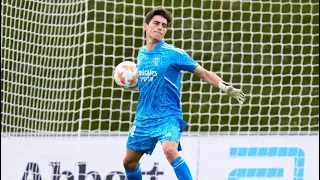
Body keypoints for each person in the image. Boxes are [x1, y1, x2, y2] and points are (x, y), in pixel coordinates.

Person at [122, 7, 246, 180]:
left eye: (164, 26)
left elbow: (204, 73)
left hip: (168, 116)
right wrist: (133, 84)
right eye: (156, 23)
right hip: (143, 117)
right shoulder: (141, 54)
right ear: (145, 26)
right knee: (129, 162)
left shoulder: (173, 54)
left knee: (170, 150)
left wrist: (225, 87)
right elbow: (149, 82)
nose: (160, 28)